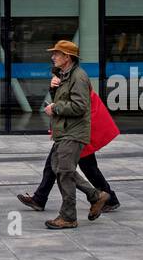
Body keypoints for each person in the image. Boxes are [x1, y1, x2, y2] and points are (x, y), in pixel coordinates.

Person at [18, 66, 121, 214]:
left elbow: (75, 107)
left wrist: (54, 109)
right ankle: (109, 199)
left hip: (77, 132)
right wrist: (53, 89)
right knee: (83, 167)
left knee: (59, 165)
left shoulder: (76, 81)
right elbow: (63, 102)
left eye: (56, 75)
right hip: (75, 131)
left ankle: (43, 200)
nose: (54, 78)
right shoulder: (67, 83)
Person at [42, 40, 108, 229]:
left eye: (57, 54)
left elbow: (79, 106)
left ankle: (68, 216)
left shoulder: (78, 77)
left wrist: (55, 108)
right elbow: (64, 99)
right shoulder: (64, 75)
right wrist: (53, 89)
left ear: (67, 57)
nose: (53, 57)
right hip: (65, 130)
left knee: (64, 172)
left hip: (73, 131)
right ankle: (96, 195)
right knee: (59, 168)